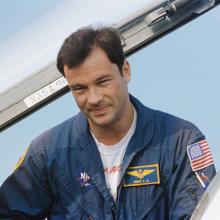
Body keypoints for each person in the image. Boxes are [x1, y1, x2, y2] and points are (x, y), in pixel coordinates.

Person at [0, 26, 216, 220]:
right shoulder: (46, 153)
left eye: (102, 82)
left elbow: (199, 214)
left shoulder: (181, 140)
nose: (93, 98)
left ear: (125, 71)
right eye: (80, 88)